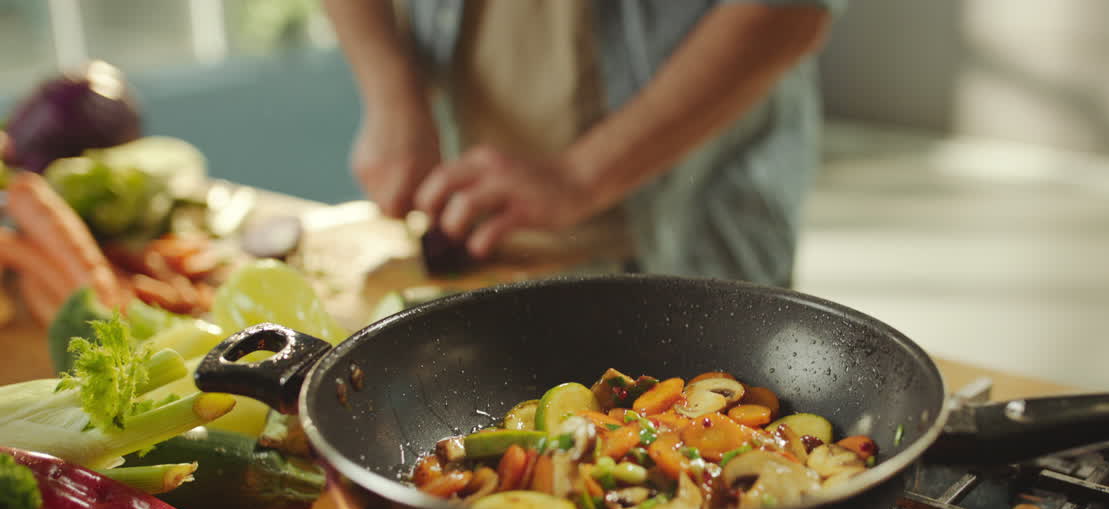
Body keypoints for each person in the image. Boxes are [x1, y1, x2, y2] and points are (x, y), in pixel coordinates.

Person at [324, 0, 841, 287]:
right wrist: (391, 91)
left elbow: (789, 10)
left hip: (691, 222)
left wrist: (581, 175)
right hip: (486, 231)